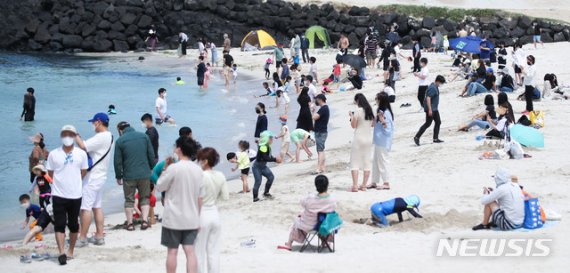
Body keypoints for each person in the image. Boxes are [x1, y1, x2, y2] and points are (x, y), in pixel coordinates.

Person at [156, 136, 203, 273]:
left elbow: (159, 186)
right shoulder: (198, 170)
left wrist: (165, 168)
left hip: (173, 218)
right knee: (190, 251)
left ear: (179, 149)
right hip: (192, 217)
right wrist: (199, 218)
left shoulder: (174, 168)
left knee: (172, 252)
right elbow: (200, 197)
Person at [46, 125, 88, 265]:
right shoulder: (53, 154)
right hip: (58, 194)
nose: (67, 137)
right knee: (59, 224)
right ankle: (61, 252)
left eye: (71, 134)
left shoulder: (81, 154)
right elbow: (50, 173)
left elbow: (83, 172)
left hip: (75, 194)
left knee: (74, 224)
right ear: (61, 136)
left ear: (75, 136)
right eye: (65, 134)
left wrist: (74, 181)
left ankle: (70, 250)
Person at [75, 113, 114, 247]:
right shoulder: (110, 135)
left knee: (85, 208)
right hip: (101, 176)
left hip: (93, 177)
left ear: (98, 122)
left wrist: (76, 136)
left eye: (93, 122)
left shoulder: (101, 136)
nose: (93, 125)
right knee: (97, 207)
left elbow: (83, 146)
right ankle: (99, 236)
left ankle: (82, 238)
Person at [114, 121, 155, 231]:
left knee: (129, 200)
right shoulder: (144, 136)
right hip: (144, 173)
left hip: (129, 175)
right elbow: (151, 155)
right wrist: (151, 168)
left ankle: (130, 223)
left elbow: (117, 161)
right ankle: (145, 221)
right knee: (145, 197)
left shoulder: (120, 141)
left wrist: (118, 176)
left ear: (120, 130)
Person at [277, 175, 336, 251]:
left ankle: (289, 244)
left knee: (297, 219)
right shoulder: (332, 199)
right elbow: (332, 209)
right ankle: (324, 242)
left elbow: (302, 202)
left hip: (308, 226)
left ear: (316, 186)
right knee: (322, 218)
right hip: (324, 226)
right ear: (327, 185)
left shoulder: (310, 198)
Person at [195, 148, 229, 273]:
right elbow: (225, 197)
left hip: (201, 214)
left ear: (205, 161)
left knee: (198, 252)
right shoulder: (220, 175)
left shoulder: (199, 176)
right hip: (215, 213)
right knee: (213, 251)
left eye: (200, 160)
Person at [349, 93, 374, 192]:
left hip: (359, 137)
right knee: (367, 162)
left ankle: (355, 186)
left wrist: (351, 116)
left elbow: (354, 125)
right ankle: (363, 186)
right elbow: (372, 124)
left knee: (354, 162)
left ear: (358, 101)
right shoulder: (369, 110)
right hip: (368, 138)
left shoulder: (358, 111)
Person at [369, 92, 394, 190]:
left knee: (383, 161)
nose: (376, 100)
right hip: (378, 140)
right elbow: (373, 125)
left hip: (383, 141)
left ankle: (386, 183)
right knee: (375, 162)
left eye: (377, 98)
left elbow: (388, 130)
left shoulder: (386, 113)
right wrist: (376, 118)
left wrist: (382, 120)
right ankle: (374, 182)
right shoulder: (381, 111)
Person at [414, 75, 446, 146]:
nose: (441, 84)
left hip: (434, 108)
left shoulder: (435, 86)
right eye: (441, 83)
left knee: (438, 122)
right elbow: (428, 98)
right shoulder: (432, 88)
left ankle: (435, 138)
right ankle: (417, 137)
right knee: (428, 123)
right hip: (431, 109)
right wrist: (430, 110)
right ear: (437, 81)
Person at [252, 131, 282, 202]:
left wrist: (274, 158)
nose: (272, 139)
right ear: (266, 139)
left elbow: (268, 156)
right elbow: (265, 157)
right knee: (258, 182)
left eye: (272, 138)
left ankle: (266, 192)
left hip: (263, 167)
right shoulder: (263, 147)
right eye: (270, 138)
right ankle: (255, 198)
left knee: (271, 177)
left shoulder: (267, 146)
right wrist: (275, 159)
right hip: (257, 167)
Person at [312, 94, 329, 175]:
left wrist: (313, 111)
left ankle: (319, 168)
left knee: (320, 150)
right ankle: (322, 167)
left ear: (320, 100)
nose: (316, 101)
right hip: (322, 131)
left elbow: (314, 117)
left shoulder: (323, 109)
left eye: (317, 100)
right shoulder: (324, 108)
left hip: (320, 132)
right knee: (321, 150)